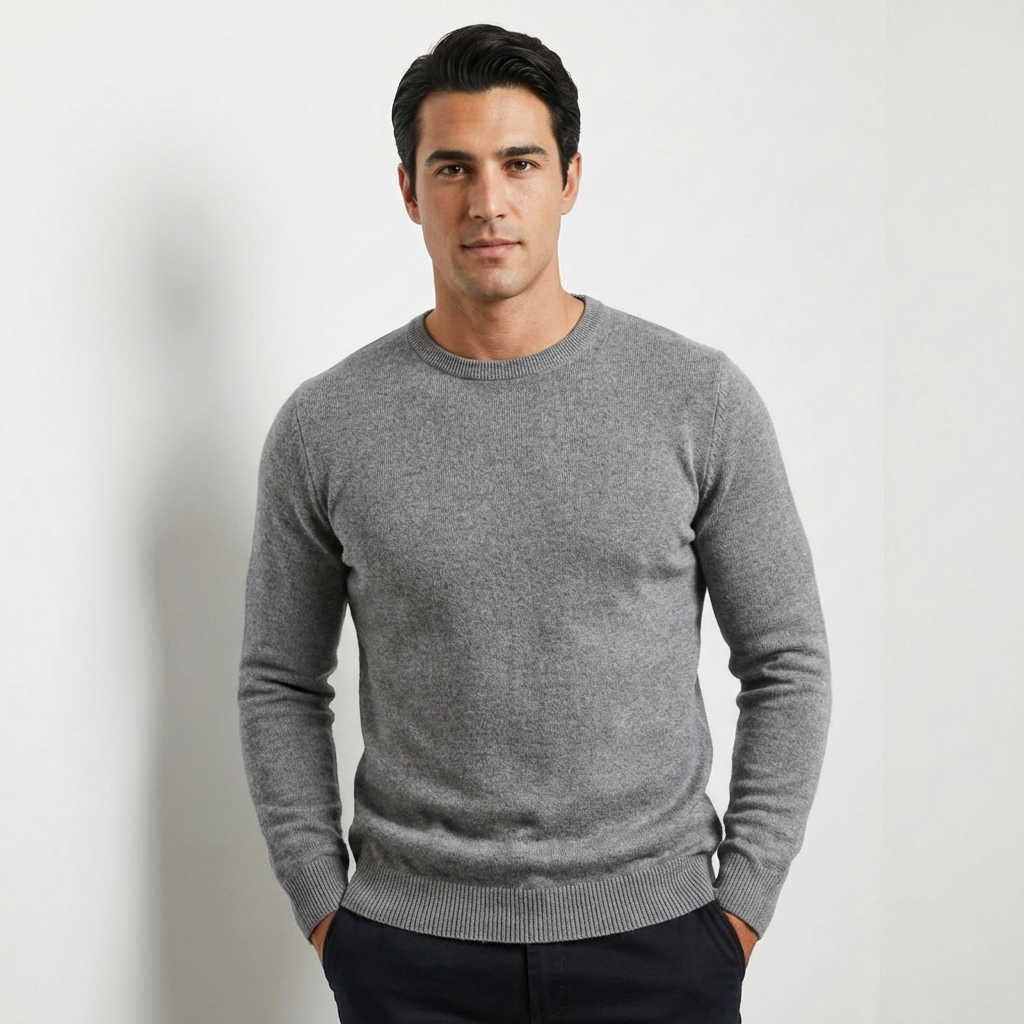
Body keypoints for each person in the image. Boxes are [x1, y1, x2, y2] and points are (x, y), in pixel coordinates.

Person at [238, 23, 831, 1024]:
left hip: (661, 943)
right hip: (408, 953)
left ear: (569, 179)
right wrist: (324, 907)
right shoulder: (327, 425)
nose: (487, 201)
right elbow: (279, 681)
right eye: (453, 168)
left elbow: (787, 660)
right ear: (408, 190)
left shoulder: (696, 399)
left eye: (519, 163)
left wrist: (741, 905)